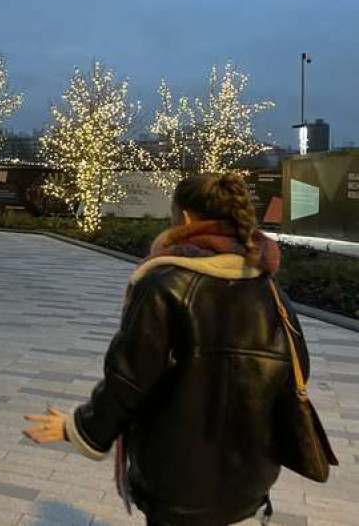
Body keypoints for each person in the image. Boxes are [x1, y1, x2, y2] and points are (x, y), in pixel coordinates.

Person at [24, 172, 314, 526]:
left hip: (178, 478)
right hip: (249, 472)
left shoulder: (166, 285)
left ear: (186, 217)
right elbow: (297, 372)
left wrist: (79, 428)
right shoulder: (269, 290)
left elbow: (128, 381)